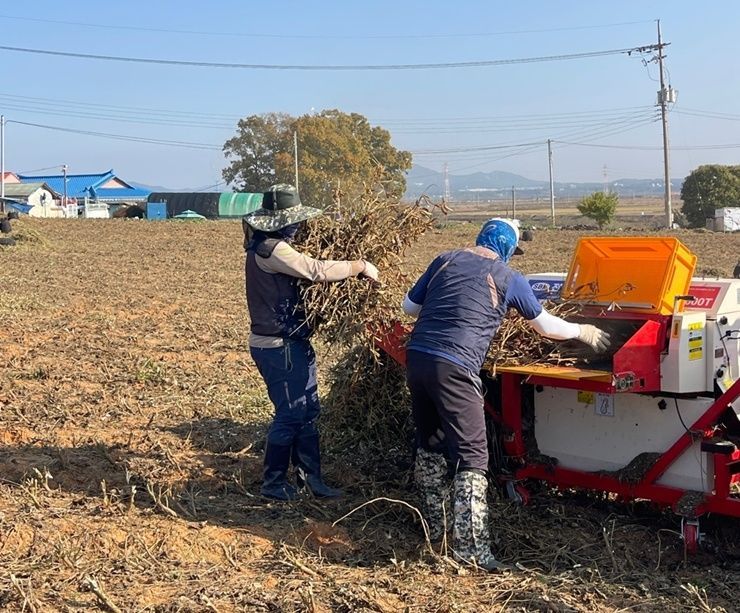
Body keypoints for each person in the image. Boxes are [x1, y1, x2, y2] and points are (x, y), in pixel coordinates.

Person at [402, 218, 610, 570]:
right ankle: (471, 552)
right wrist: (583, 331)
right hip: (455, 364)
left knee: (431, 443)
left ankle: (435, 530)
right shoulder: (508, 277)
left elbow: (410, 308)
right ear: (508, 248)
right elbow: (545, 326)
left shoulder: (444, 259)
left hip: (418, 358)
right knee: (472, 456)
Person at [243, 184, 379, 500]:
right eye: (293, 220)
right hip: (277, 346)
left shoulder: (268, 246)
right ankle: (273, 484)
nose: (298, 225)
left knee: (306, 410)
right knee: (291, 413)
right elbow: (314, 270)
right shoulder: (271, 249)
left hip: (291, 342)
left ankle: (311, 480)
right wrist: (359, 266)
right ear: (278, 221)